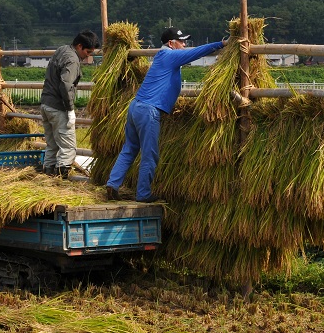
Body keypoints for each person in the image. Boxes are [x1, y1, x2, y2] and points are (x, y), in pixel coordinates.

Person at [105, 26, 226, 202]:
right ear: (171, 43)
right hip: (148, 110)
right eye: (182, 41)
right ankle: (143, 194)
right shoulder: (169, 55)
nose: (184, 44)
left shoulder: (163, 57)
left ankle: (112, 184)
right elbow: (196, 52)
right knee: (149, 154)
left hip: (136, 107)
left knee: (130, 148)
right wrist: (221, 44)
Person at [40, 30, 99, 179]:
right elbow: (66, 85)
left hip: (46, 103)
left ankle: (47, 177)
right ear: (79, 46)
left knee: (52, 145)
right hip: (58, 107)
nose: (88, 55)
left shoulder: (62, 49)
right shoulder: (72, 60)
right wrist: (70, 109)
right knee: (68, 147)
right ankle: (60, 180)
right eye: (87, 51)